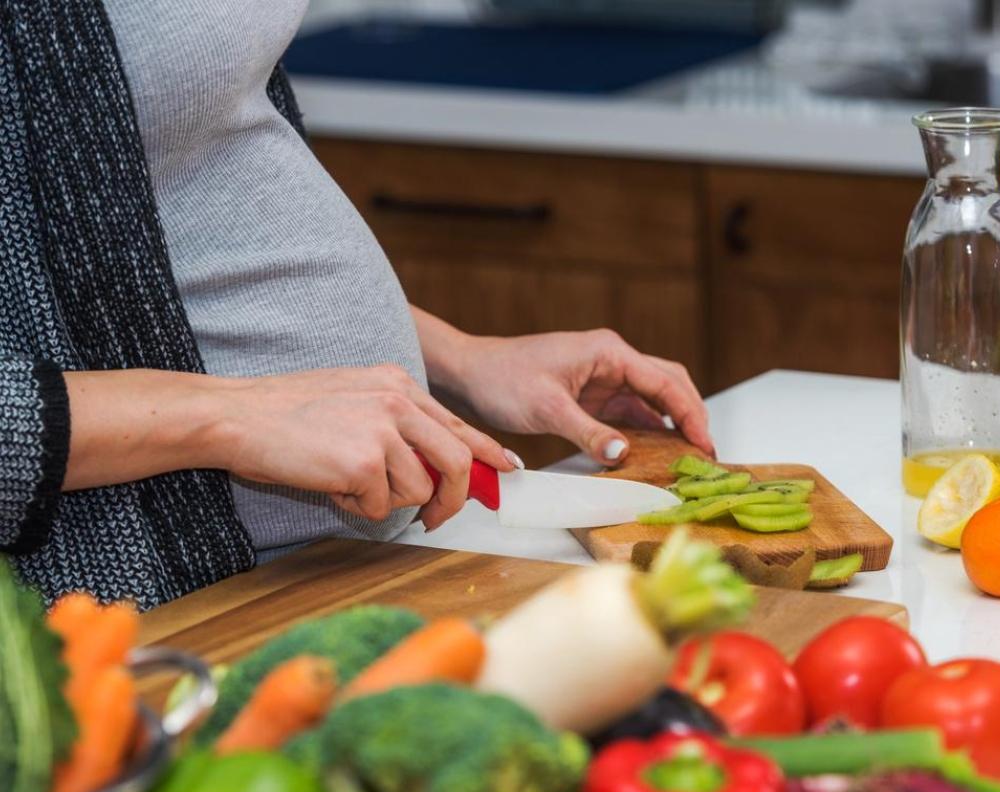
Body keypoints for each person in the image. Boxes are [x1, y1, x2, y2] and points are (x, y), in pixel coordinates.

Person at [0, 0, 713, 609]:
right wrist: (227, 416)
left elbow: (192, 184)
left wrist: (459, 357)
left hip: (345, 566)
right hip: (155, 614)